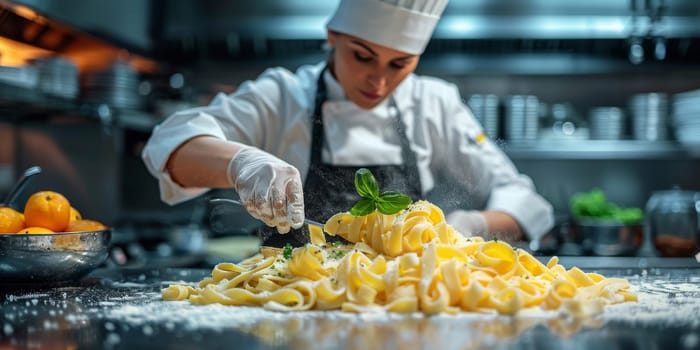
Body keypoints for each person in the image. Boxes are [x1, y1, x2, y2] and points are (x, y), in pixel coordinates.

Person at [142, 0, 554, 247]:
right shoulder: (283, 96)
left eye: (400, 64)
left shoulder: (435, 103)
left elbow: (527, 203)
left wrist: (471, 224)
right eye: (362, 55)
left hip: (404, 308)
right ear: (333, 34)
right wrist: (240, 163)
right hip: (289, 308)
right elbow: (169, 144)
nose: (379, 80)